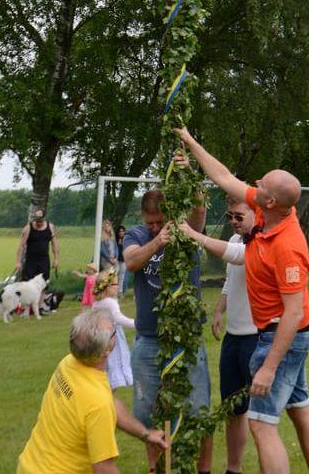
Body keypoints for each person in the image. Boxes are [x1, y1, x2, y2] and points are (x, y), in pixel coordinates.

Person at [175, 126, 309, 474]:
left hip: (282, 335)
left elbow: (291, 314)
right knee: (300, 408)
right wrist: (190, 140)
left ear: (270, 201)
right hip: (284, 333)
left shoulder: (288, 246)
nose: (254, 184)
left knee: (261, 424)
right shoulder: (264, 212)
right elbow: (225, 177)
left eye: (261, 184)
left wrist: (270, 366)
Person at [123, 183, 213, 474]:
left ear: (171, 215)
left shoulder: (187, 231)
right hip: (149, 339)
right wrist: (158, 241)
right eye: (150, 222)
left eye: (160, 221)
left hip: (187, 338)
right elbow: (132, 261)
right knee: (145, 413)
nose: (155, 226)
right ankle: (155, 469)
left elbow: (199, 209)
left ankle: (203, 470)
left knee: (198, 410)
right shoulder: (138, 235)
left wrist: (189, 176)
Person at [17, 307, 166, 472]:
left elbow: (111, 403)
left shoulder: (68, 364)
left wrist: (145, 434)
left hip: (29, 465)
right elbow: (104, 468)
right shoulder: (97, 404)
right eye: (114, 331)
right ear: (107, 350)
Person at [210, 199, 258, 474]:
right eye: (230, 216)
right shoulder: (234, 239)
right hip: (233, 338)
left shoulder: (261, 241)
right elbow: (231, 279)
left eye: (240, 216)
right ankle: (233, 469)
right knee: (233, 409)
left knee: (261, 416)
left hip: (257, 337)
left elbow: (238, 254)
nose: (234, 221)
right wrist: (219, 310)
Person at [92, 270, 134, 390]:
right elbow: (118, 318)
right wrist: (135, 323)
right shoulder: (110, 303)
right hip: (112, 339)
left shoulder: (97, 303)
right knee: (114, 364)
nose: (118, 286)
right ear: (107, 287)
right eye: (115, 284)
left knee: (105, 369)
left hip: (101, 337)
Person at [15, 209, 59, 283]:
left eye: (40, 221)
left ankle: (42, 294)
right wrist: (18, 262)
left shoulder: (50, 227)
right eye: (37, 221)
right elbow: (21, 246)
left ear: (44, 218)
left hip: (44, 260)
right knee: (27, 283)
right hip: (30, 261)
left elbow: (54, 244)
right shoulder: (28, 228)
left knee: (43, 283)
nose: (39, 223)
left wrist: (56, 259)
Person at [114, 225, 127, 296]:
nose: (121, 233)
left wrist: (122, 244)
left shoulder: (126, 239)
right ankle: (111, 290)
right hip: (116, 260)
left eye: (123, 231)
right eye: (120, 231)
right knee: (114, 274)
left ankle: (120, 291)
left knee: (122, 275)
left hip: (123, 260)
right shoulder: (115, 240)